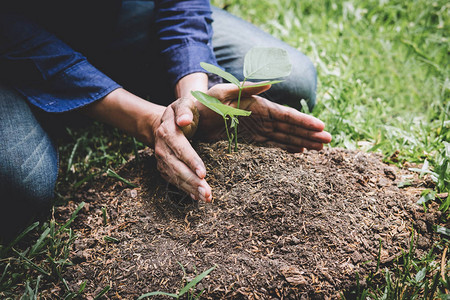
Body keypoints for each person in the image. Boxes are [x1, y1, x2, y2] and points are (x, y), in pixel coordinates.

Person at [0, 0, 332, 242]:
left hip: (112, 14)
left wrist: (194, 100)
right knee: (19, 184)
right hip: (14, 35)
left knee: (293, 81)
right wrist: (150, 120)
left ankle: (118, 76)